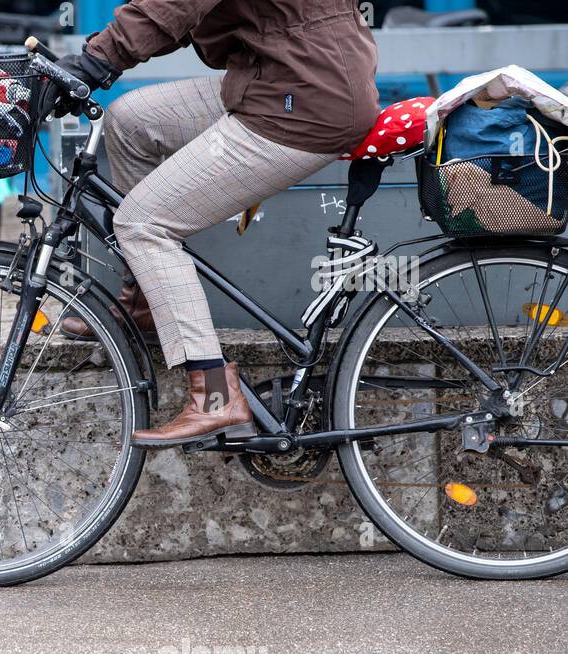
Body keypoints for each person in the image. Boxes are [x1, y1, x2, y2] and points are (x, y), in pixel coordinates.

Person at [51, 0, 379, 446]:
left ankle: (215, 398)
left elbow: (175, 5)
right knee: (131, 122)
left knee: (142, 224)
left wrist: (95, 60)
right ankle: (146, 301)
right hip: (282, 77)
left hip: (302, 100)